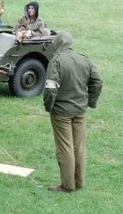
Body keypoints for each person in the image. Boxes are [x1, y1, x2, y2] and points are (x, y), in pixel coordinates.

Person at [43, 31, 103, 193]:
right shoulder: (84, 59)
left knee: (65, 148)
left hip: (61, 112)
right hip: (80, 110)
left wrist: (49, 106)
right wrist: (90, 101)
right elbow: (97, 82)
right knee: (79, 147)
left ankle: (67, 185)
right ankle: (79, 182)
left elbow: (50, 88)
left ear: (57, 44)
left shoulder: (56, 62)